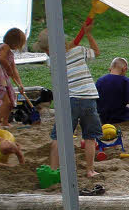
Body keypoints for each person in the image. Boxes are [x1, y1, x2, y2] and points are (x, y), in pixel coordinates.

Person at [32, 20, 103, 178]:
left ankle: (54, 170)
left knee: (59, 137)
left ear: (48, 50)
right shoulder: (79, 51)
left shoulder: (51, 62)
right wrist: (88, 34)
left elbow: (62, 52)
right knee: (90, 137)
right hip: (88, 99)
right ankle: (90, 170)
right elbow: (96, 52)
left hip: (69, 101)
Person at [0, 28, 27, 129]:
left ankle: (5, 122)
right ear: (15, 42)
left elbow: (14, 70)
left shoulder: (11, 54)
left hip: (4, 80)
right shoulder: (5, 47)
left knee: (11, 101)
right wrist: (8, 68)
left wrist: (20, 84)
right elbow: (1, 59)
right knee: (6, 102)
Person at [96, 57, 129, 123]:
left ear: (110, 68)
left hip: (103, 117)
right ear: (124, 69)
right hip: (120, 116)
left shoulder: (99, 81)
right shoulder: (124, 80)